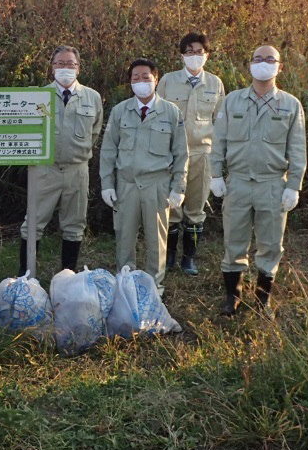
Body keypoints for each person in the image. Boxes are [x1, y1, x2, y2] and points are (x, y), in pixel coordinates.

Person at [209, 44, 307, 315]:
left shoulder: (290, 104)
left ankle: (263, 300)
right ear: (249, 64)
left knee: (271, 244)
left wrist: (293, 186)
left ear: (280, 67)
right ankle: (233, 297)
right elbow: (219, 141)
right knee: (234, 241)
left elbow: (297, 150)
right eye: (258, 59)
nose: (263, 63)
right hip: (238, 183)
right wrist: (215, 174)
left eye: (269, 59)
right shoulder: (233, 101)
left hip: (272, 184)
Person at [99, 58, 189, 284]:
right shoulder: (120, 111)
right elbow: (108, 151)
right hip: (126, 184)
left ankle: (154, 286)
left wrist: (178, 187)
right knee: (124, 238)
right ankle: (125, 282)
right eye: (135, 78)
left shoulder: (171, 112)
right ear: (130, 82)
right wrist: (107, 184)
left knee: (157, 240)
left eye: (145, 77)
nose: (140, 82)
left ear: (156, 79)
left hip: (157, 185)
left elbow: (181, 154)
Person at [18, 45, 104, 274]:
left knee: (74, 226)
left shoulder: (92, 97)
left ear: (79, 68)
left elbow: (93, 133)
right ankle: (26, 277)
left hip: (77, 170)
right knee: (33, 224)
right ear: (52, 67)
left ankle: (68, 277)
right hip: (44, 169)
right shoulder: (38, 96)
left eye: (70, 64)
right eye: (60, 64)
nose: (65, 68)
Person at [156, 32, 224, 276]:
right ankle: (170, 256)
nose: (195, 56)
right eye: (189, 52)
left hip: (202, 153)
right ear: (182, 55)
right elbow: (158, 113)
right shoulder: (167, 80)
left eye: (199, 52)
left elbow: (220, 121)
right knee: (172, 208)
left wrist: (218, 158)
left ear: (207, 54)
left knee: (195, 208)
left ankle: (189, 259)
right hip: (172, 154)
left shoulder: (215, 83)